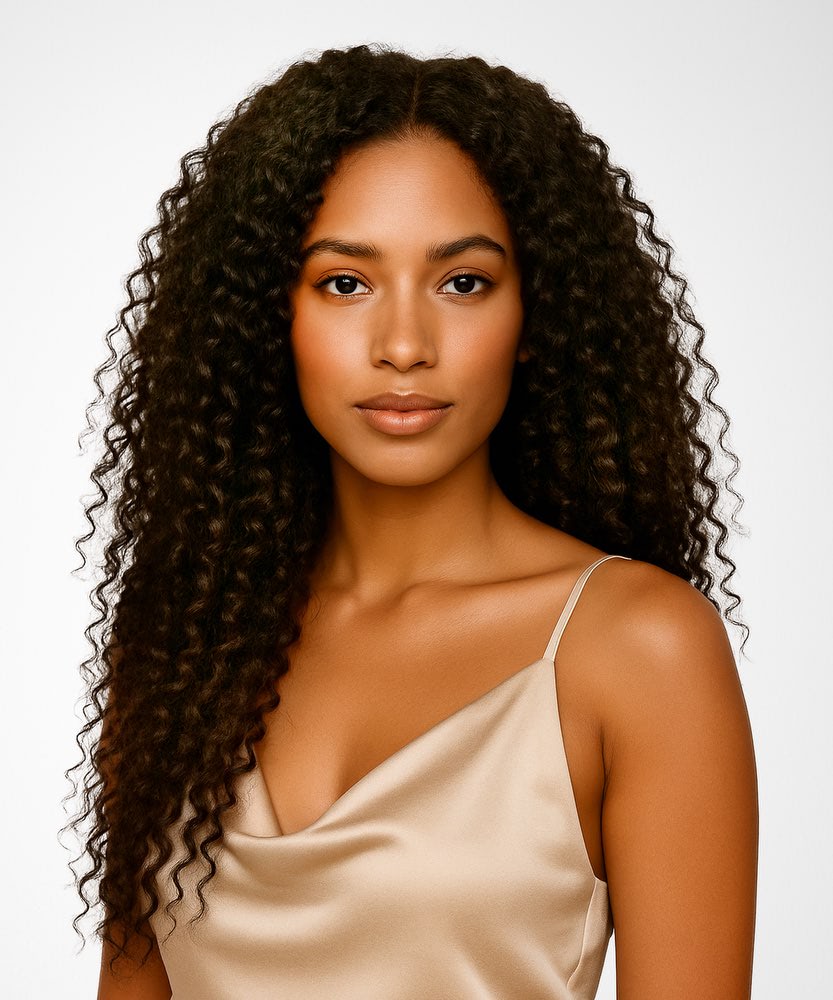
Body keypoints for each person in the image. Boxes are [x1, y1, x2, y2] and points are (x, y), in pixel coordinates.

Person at [69, 43, 758, 1000]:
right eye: (345, 282)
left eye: (462, 282)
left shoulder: (635, 647)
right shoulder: (186, 641)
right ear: (272, 316)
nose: (403, 346)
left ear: (537, 314)